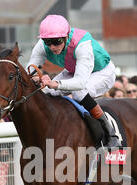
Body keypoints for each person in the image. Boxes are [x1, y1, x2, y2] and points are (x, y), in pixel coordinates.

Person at [26, 14, 120, 148]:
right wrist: (36, 78)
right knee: (45, 91)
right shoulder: (42, 44)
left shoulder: (82, 45)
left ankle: (109, 132)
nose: (52, 46)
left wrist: (55, 84)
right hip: (74, 71)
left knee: (79, 93)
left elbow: (79, 83)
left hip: (102, 72)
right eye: (48, 42)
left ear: (66, 36)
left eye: (57, 41)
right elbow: (31, 69)